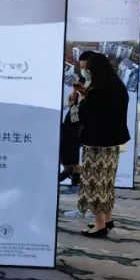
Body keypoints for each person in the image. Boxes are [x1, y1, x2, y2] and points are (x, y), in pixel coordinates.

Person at [75, 52, 130, 238]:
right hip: (112, 144)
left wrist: (81, 100)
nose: (86, 73)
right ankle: (107, 219)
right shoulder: (118, 86)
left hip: (96, 144)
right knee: (107, 182)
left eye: (88, 70)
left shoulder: (98, 91)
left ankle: (99, 226)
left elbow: (84, 115)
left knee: (94, 184)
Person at [60, 51, 96, 186]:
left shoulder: (99, 83)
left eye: (86, 67)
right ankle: (68, 167)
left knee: (74, 136)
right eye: (81, 67)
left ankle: (75, 168)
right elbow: (71, 102)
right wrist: (74, 94)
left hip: (87, 116)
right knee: (64, 134)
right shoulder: (82, 80)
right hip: (74, 113)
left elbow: (96, 103)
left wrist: (84, 93)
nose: (84, 70)